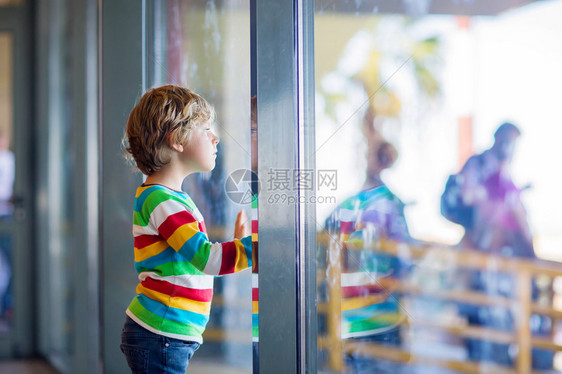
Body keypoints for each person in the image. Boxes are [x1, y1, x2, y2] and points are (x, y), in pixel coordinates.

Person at [120, 85, 253, 373]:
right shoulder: (161, 200)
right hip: (160, 333)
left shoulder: (168, 196)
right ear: (176, 140)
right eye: (206, 129)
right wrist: (253, 248)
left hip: (165, 333)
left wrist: (240, 246)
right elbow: (205, 260)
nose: (215, 138)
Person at [443, 122, 552, 369]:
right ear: (496, 138)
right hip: (481, 266)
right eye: (507, 139)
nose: (510, 147)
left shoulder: (503, 174)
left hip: (500, 273)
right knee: (481, 339)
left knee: (497, 342)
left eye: (513, 141)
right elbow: (476, 205)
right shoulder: (480, 167)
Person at [323, 109, 411, 373]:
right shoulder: (391, 206)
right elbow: (405, 261)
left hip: (354, 319)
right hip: (378, 318)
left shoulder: (347, 207)